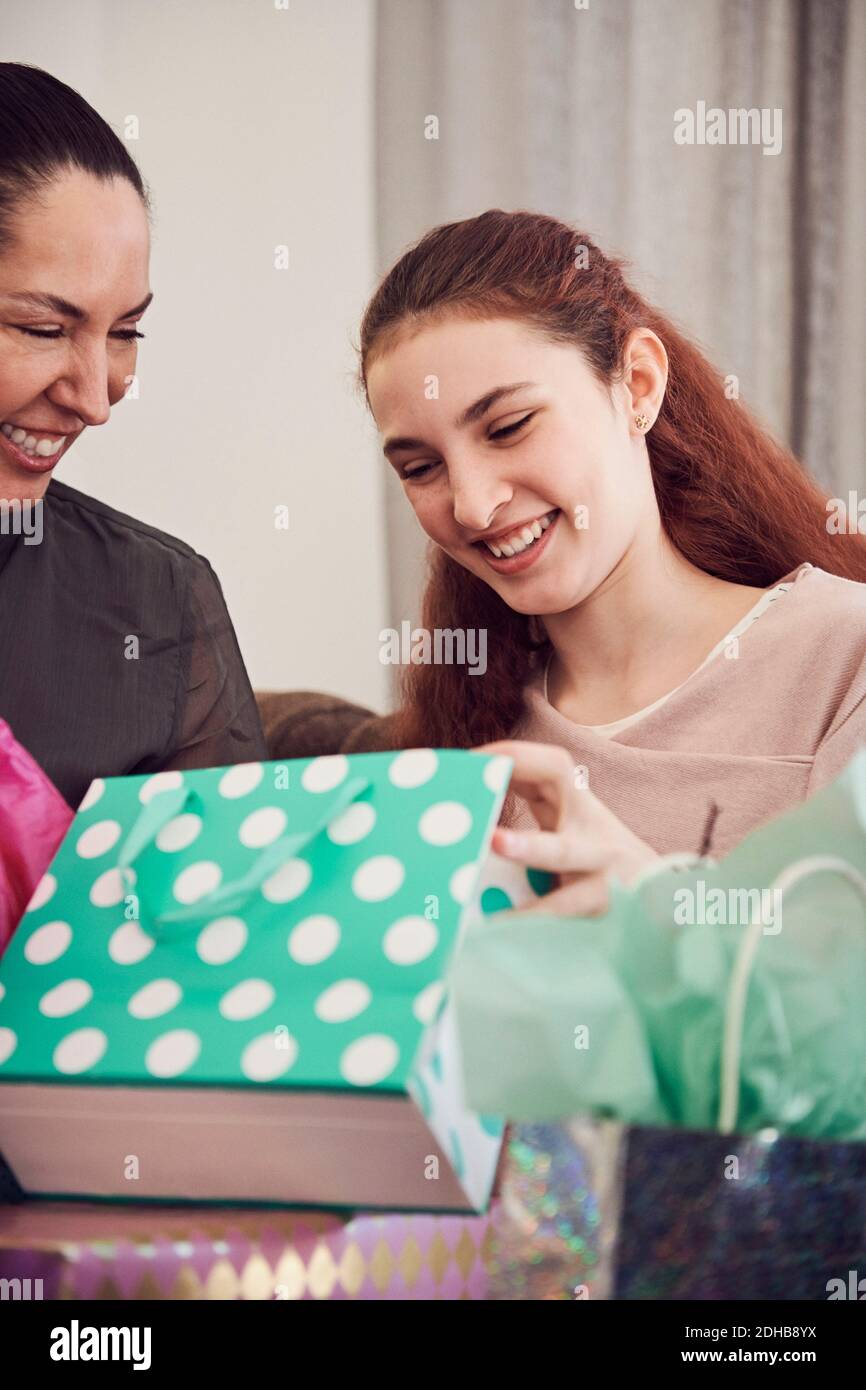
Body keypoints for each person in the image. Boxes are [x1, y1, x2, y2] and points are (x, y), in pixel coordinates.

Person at [354, 209, 866, 916]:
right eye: (421, 467)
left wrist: (656, 904)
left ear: (639, 385)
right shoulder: (468, 737)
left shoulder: (845, 658)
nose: (471, 506)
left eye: (508, 428)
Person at [0, 63, 266, 810]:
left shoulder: (157, 601)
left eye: (125, 331)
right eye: (43, 328)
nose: (96, 400)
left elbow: (224, 914)